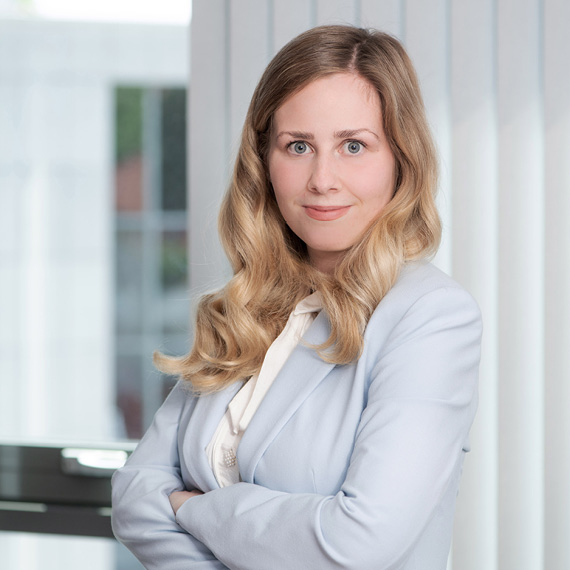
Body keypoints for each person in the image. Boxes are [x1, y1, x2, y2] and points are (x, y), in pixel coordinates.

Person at [111, 25, 482, 570]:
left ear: (402, 159)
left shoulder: (430, 317)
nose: (322, 179)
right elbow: (134, 497)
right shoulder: (243, 310)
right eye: (299, 146)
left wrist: (194, 508)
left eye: (354, 145)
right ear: (264, 160)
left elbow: (356, 542)